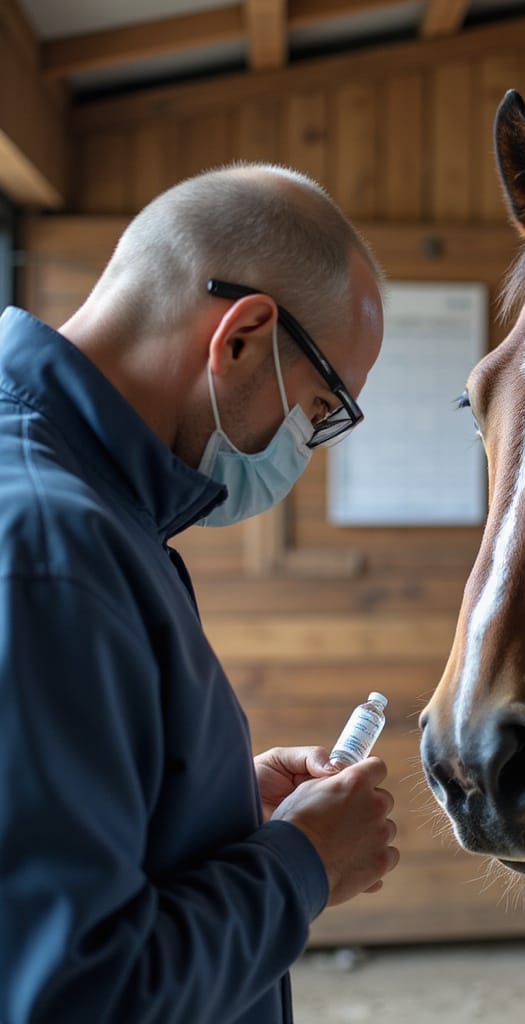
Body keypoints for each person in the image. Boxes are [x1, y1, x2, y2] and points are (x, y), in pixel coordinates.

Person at [0, 163, 399, 1023]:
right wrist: (301, 864)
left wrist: (213, 800)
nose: (307, 446)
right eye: (320, 410)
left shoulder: (99, 511)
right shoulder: (47, 549)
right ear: (243, 336)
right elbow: (76, 997)